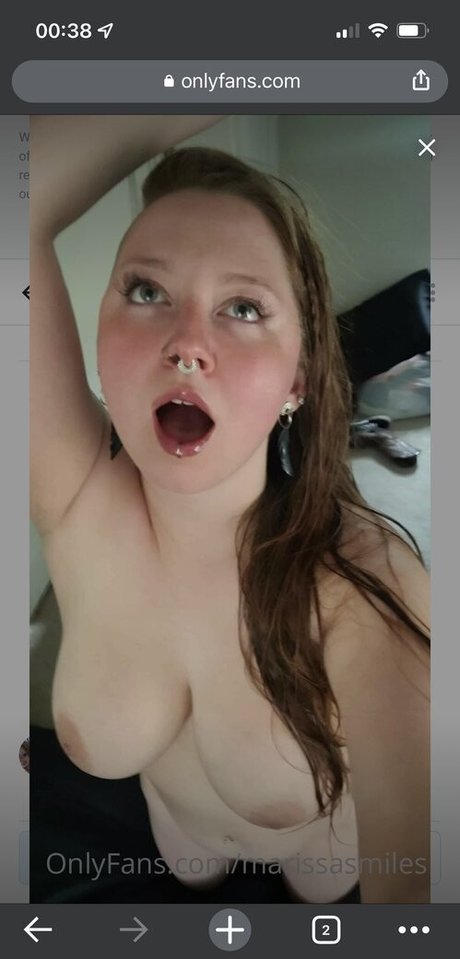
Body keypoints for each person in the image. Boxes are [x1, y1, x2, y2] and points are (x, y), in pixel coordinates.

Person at [30, 115, 430, 904]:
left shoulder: (362, 588)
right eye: (147, 291)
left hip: (323, 866)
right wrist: (186, 80)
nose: (186, 344)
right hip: (176, 840)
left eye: (243, 307)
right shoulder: (78, 494)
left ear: (298, 378)